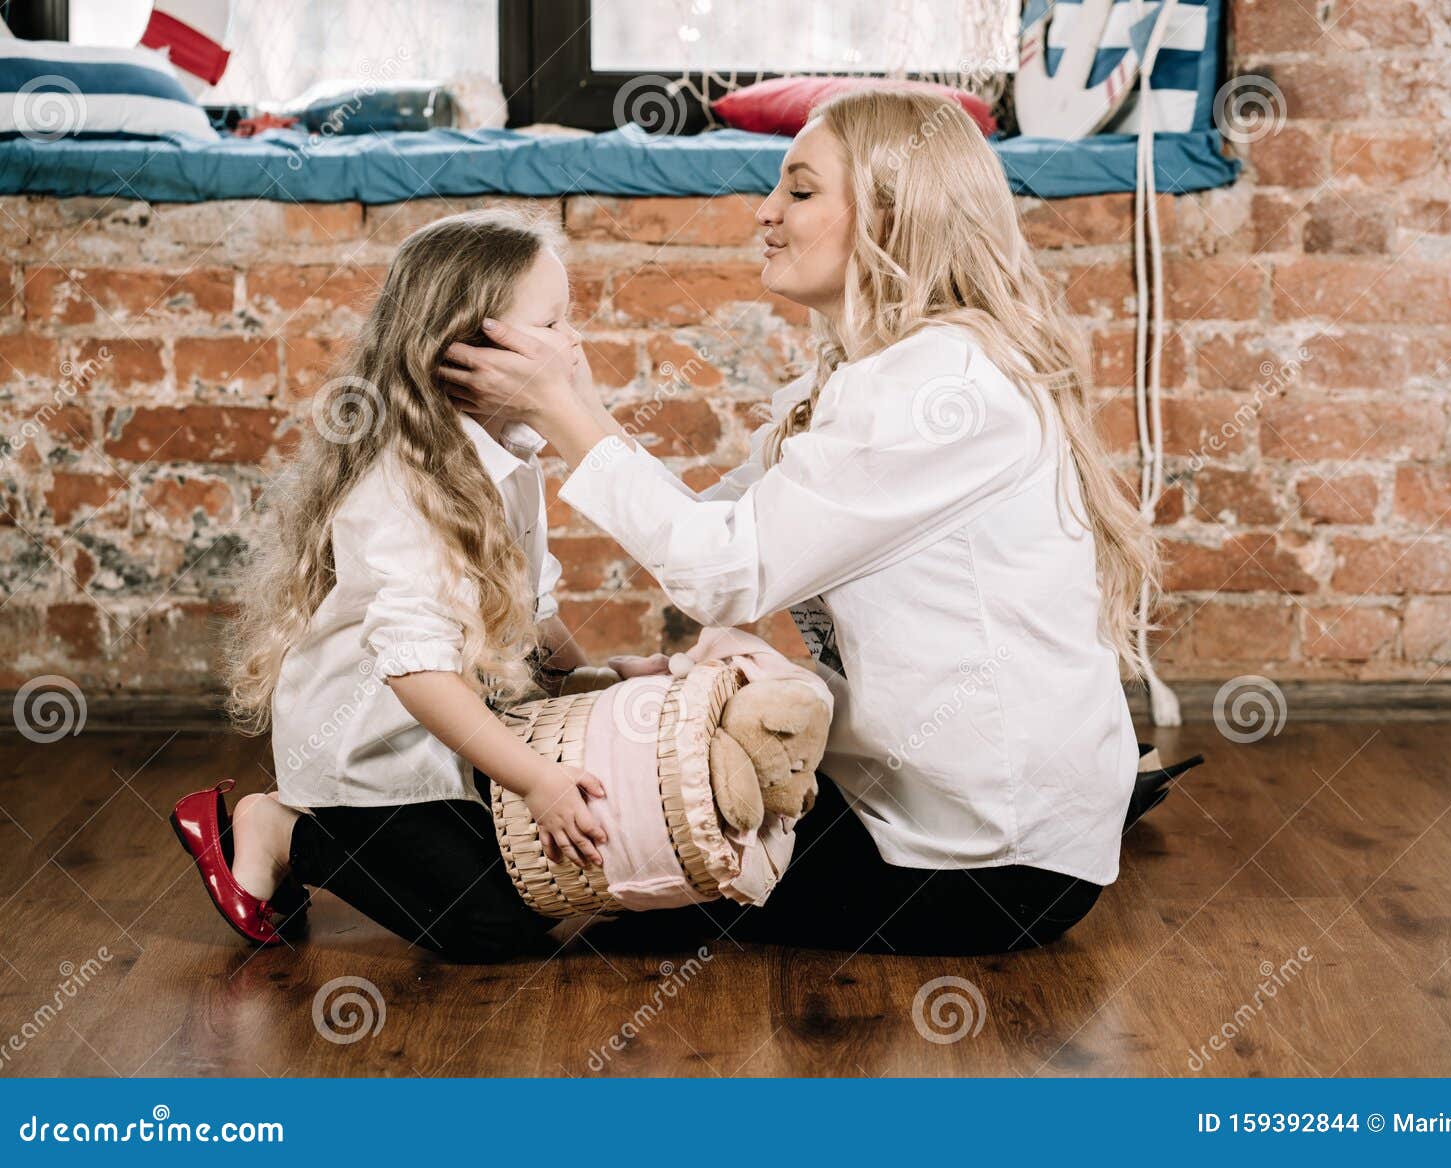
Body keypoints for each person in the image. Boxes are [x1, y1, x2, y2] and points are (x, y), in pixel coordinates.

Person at [438, 89, 1171, 956]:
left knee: (519, 876)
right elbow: (715, 530)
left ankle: (287, 833)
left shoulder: (943, 389)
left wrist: (562, 413)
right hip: (906, 803)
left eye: (801, 189)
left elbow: (722, 572)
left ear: (894, 216)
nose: (766, 212)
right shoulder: (850, 383)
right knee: (574, 822)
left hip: (982, 861)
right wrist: (579, 408)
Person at [170, 209, 610, 962]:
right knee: (496, 928)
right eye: (553, 323)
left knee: (552, 886)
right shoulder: (405, 484)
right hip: (372, 750)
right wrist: (537, 782)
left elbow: (529, 607)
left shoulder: (513, 455)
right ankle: (284, 829)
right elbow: (416, 673)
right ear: (472, 351)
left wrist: (598, 679)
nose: (575, 344)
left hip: (458, 736)